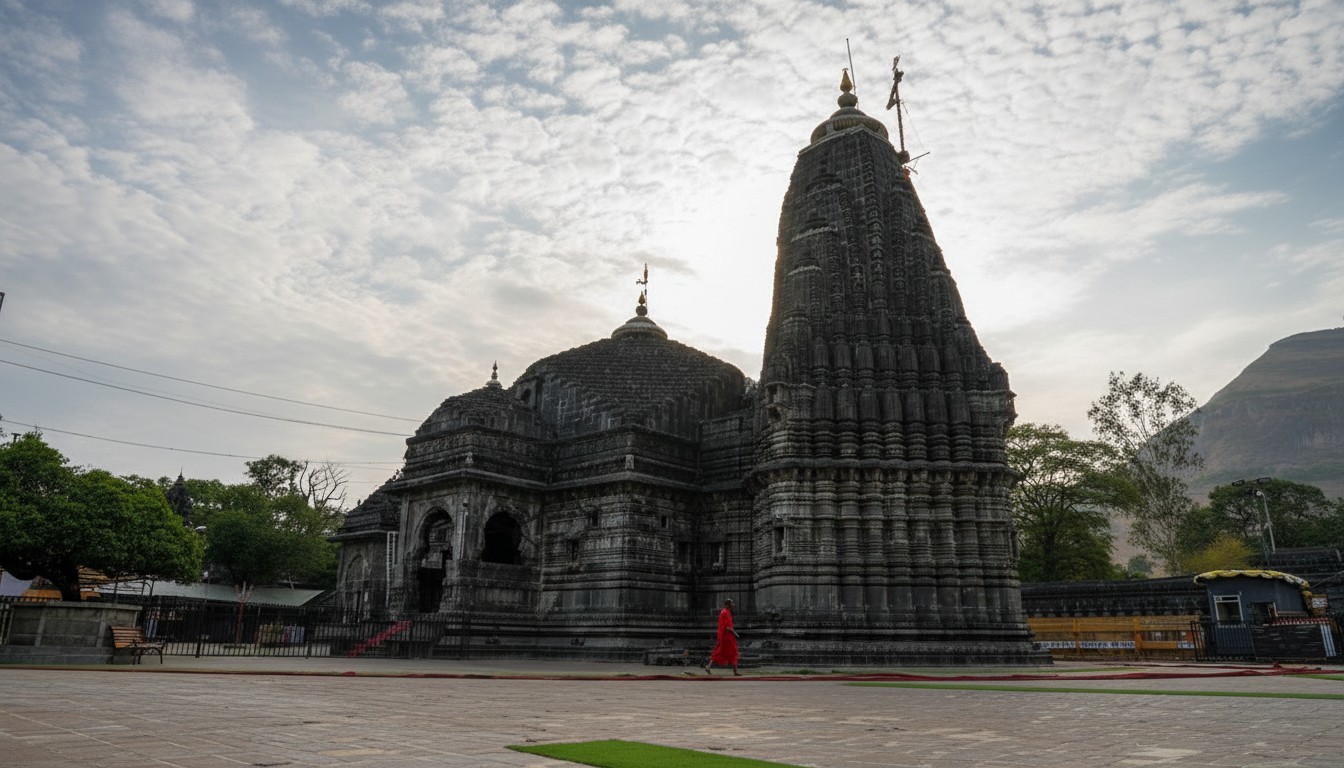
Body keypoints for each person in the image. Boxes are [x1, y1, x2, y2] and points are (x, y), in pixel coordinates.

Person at [704, 598, 740, 675]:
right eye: (731, 603)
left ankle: (735, 671)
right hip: (726, 637)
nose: (733, 605)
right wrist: (734, 633)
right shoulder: (724, 612)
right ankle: (708, 666)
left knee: (732, 652)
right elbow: (726, 627)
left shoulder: (727, 612)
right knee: (722, 651)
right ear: (728, 604)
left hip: (728, 636)